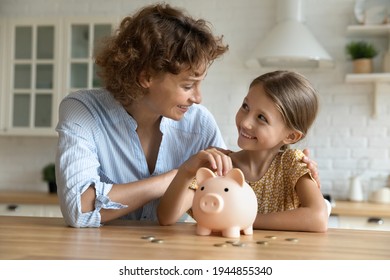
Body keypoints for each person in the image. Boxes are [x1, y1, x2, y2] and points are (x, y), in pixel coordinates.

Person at [56, 3, 318, 228]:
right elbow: (78, 209)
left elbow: (225, 192)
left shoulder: (199, 122)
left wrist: (291, 174)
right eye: (187, 85)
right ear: (146, 76)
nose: (198, 98)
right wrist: (177, 175)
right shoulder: (83, 111)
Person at [158, 70, 328, 233]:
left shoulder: (291, 164)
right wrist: (187, 170)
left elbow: (318, 218)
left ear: (291, 136)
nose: (245, 122)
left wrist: (242, 219)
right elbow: (166, 218)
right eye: (246, 106)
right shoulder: (220, 166)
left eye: (262, 118)